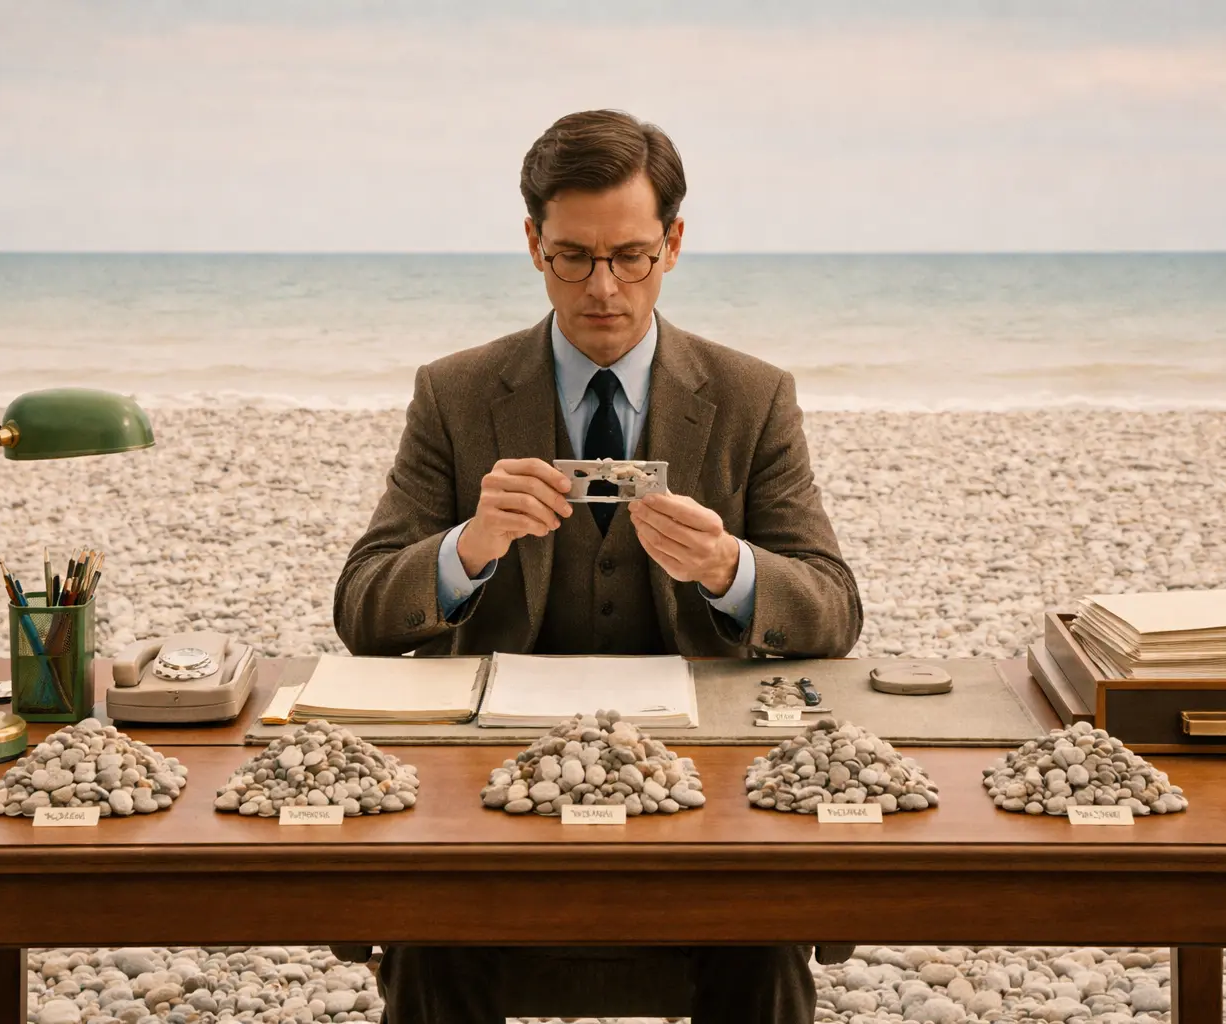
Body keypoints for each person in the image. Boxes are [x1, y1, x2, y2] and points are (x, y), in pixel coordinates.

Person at [333, 108, 862, 1024]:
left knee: (764, 942)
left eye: (632, 256)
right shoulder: (456, 392)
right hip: (490, 781)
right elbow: (360, 607)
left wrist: (729, 568)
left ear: (675, 243)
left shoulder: (751, 395)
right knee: (430, 938)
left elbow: (833, 608)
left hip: (705, 785)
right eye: (573, 256)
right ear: (533, 243)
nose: (604, 287)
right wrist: (469, 549)